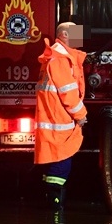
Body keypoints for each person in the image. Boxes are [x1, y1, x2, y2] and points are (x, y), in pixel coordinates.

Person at [34, 21, 88, 209]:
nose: (80, 36)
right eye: (76, 32)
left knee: (55, 163)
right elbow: (68, 93)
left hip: (55, 119)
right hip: (61, 121)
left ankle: (51, 209)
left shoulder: (57, 56)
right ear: (64, 34)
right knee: (61, 164)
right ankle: (54, 209)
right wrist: (81, 115)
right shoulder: (60, 59)